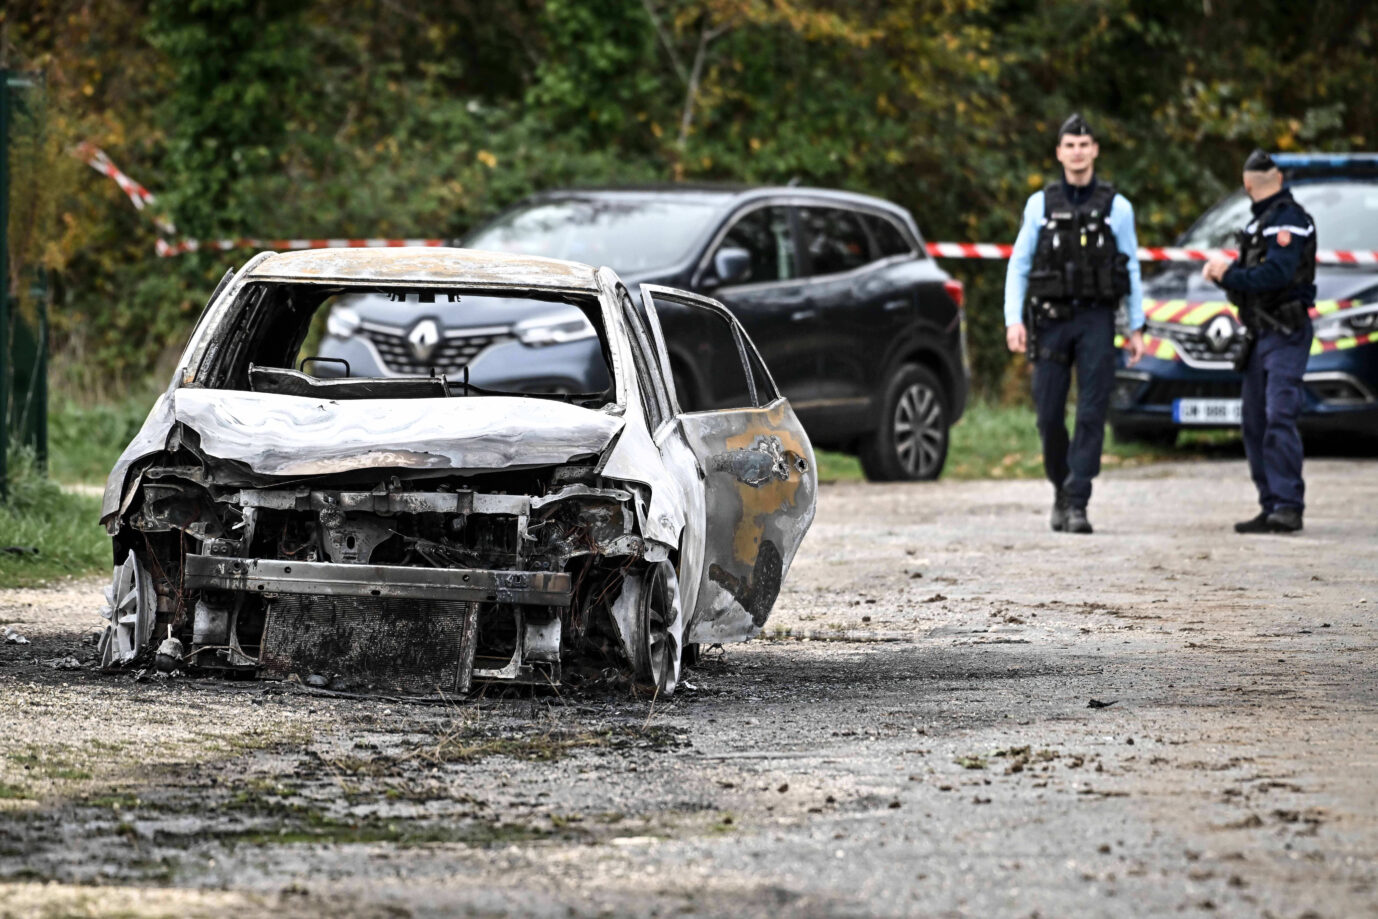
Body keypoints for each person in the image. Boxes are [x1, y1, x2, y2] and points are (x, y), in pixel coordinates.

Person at [1004, 113, 1146, 534]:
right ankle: (1060, 488)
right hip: (1050, 320)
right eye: (1070, 145)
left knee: (1091, 410)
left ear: (1095, 150)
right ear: (1059, 152)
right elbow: (1019, 265)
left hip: (1096, 319)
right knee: (1048, 415)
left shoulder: (1117, 207)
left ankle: (1078, 497)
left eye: (1085, 145)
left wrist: (1135, 326)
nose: (1078, 152)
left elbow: (1131, 268)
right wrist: (1014, 319)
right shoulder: (1040, 204)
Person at [1202, 149, 1316, 534]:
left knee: (1278, 417)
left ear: (1247, 184)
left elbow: (1277, 275)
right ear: (1277, 178)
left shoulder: (1288, 220)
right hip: (1260, 334)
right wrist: (1227, 277)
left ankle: (1287, 506)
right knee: (1254, 423)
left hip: (1286, 333)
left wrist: (1228, 274)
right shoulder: (1259, 224)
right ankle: (1271, 506)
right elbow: (1254, 284)